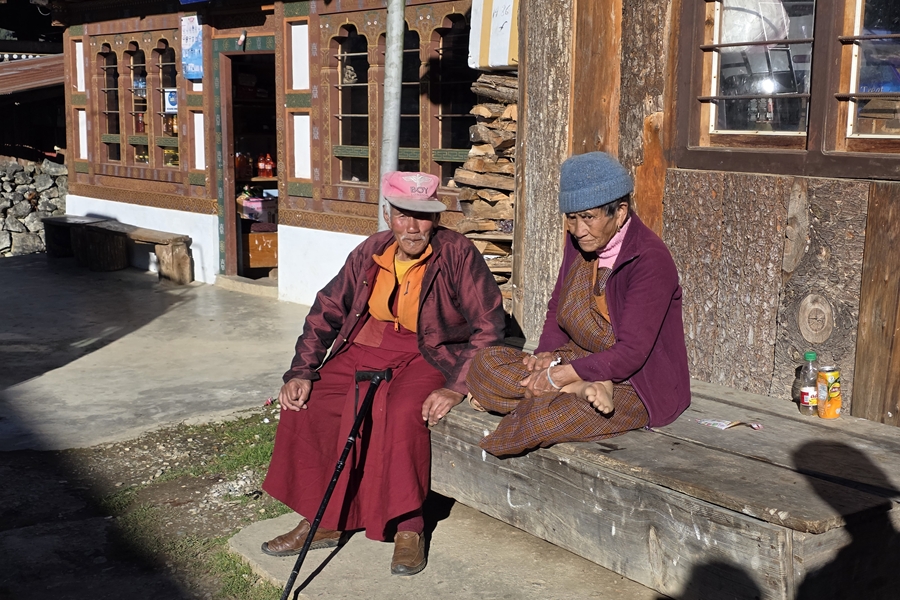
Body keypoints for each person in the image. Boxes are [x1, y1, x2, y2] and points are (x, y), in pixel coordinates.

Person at [261, 171, 505, 576]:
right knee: (309, 403)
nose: (412, 227)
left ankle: (409, 526)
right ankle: (323, 519)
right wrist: (301, 370)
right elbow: (328, 309)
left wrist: (457, 387)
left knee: (405, 409)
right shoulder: (371, 249)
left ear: (436, 220)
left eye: (423, 217)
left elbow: (488, 324)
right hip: (365, 346)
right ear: (389, 214)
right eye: (403, 215)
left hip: (428, 353)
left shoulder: (457, 252)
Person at [467, 152, 690, 457]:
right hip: (575, 359)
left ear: (620, 211)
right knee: (484, 365)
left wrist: (557, 376)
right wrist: (546, 356)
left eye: (588, 217)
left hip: (635, 381)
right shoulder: (580, 242)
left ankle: (566, 394)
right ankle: (579, 390)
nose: (578, 228)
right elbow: (558, 303)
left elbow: (631, 353)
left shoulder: (650, 259)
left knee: (543, 420)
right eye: (571, 218)